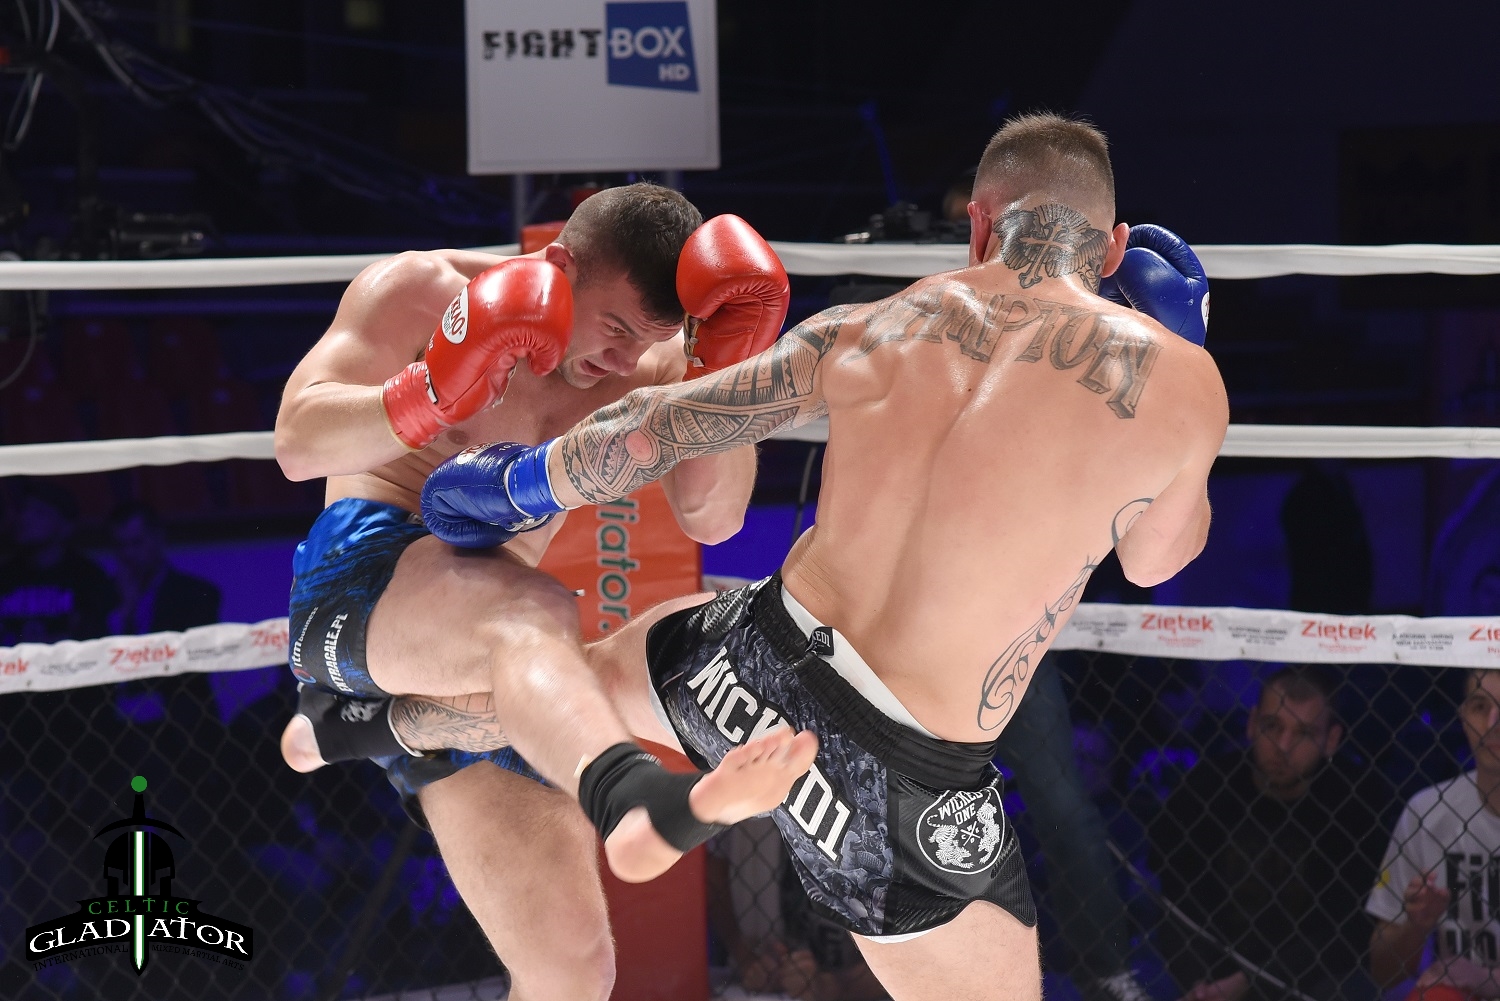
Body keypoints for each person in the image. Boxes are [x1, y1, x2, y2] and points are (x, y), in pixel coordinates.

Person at [410, 112, 1228, 1000]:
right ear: (1115, 248)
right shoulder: (1176, 379)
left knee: (584, 679)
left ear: (979, 223)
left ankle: (381, 721)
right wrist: (1184, 351)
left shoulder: (873, 323)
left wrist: (513, 486)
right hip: (903, 778)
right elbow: (1157, 561)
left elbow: (657, 427)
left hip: (752, 658)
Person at [272, 182, 817, 1001]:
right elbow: (295, 442)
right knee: (542, 617)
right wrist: (428, 392)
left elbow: (714, 517)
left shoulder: (652, 365)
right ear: (560, 264)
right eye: (617, 328)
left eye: (651, 340)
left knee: (572, 972)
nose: (626, 361)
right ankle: (632, 797)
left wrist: (720, 369)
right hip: (363, 582)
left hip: (498, 646)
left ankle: (372, 725)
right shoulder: (424, 290)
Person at [1149, 665, 1390, 1001]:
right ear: (1251, 724)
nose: (1283, 746)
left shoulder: (1358, 802)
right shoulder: (1206, 788)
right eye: (1272, 726)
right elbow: (1180, 903)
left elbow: (1346, 932)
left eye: (1303, 733)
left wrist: (1250, 982)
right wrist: (1198, 984)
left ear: (1331, 740)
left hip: (1307, 978)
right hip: (1209, 969)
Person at [1368, 669, 1500, 999]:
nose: (1493, 723)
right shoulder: (1427, 812)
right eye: (1480, 706)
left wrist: (1484, 979)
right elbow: (1383, 972)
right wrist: (1416, 926)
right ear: (1463, 717)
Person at [0, 478, 117, 645]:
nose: (25, 518)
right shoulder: (5, 575)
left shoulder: (87, 577)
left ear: (64, 526)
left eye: (39, 512)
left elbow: (96, 639)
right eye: (23, 510)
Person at [106, 500, 221, 634]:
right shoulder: (101, 596)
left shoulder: (196, 595)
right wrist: (125, 613)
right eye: (120, 545)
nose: (128, 553)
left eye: (137, 543)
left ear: (158, 537)